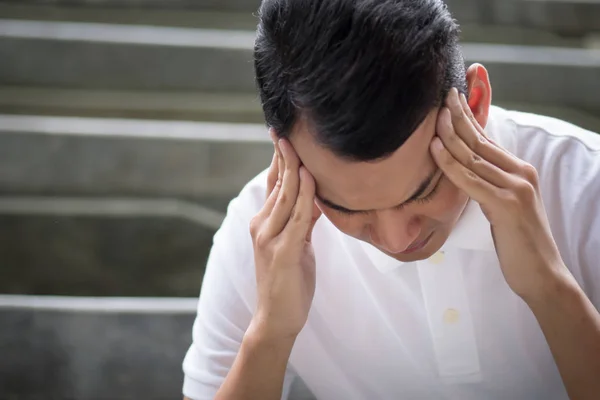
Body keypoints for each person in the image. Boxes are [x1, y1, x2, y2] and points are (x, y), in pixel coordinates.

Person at [182, 0, 600, 399]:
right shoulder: (259, 238)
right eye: (347, 208)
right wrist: (270, 332)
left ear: (474, 104)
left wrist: (550, 289)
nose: (398, 239)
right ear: (285, 152)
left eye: (425, 190)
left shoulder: (586, 185)